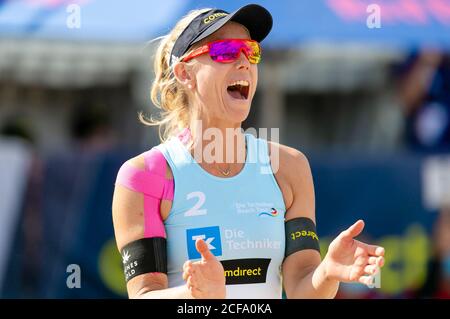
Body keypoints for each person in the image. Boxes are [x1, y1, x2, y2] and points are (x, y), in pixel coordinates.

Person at [112, 4, 385, 299]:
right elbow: (143, 295)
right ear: (184, 73)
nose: (244, 62)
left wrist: (327, 272)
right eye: (226, 51)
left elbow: (302, 288)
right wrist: (197, 296)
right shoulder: (145, 174)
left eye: (251, 52)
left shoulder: (289, 166)